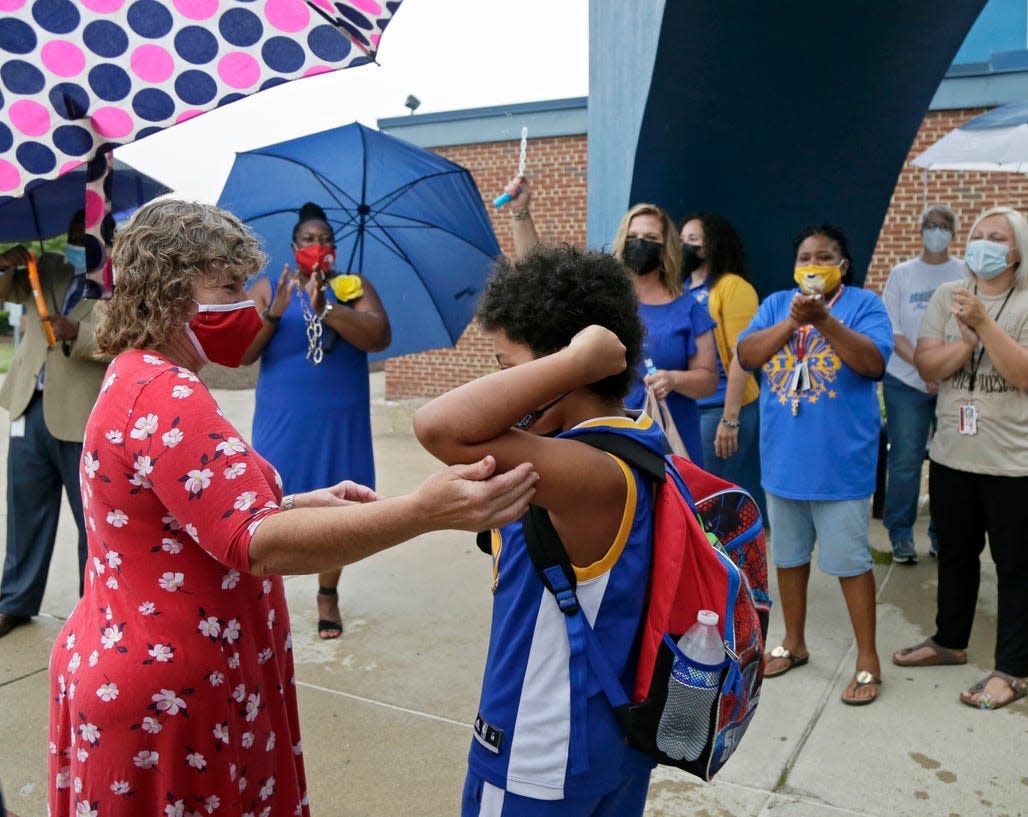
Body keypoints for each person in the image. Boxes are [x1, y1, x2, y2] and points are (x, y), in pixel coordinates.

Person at [46, 199, 539, 817]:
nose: (236, 302)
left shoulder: (138, 375)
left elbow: (184, 509)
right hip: (172, 700)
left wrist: (298, 499)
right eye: (225, 287)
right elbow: (260, 543)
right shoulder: (167, 393)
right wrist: (424, 511)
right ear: (171, 290)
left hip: (151, 675)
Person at [414, 243, 659, 816]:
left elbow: (439, 428)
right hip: (610, 744)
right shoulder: (636, 436)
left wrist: (572, 362)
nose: (499, 386)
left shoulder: (591, 471)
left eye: (506, 369)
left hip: (538, 753)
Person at [737, 223, 894, 706]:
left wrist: (823, 321)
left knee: (849, 562)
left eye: (823, 256)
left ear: (842, 266)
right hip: (784, 464)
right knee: (788, 558)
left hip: (840, 467)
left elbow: (872, 363)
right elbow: (746, 355)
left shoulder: (864, 305)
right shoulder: (775, 303)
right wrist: (792, 322)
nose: (812, 264)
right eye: (805, 256)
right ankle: (794, 641)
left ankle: (867, 659)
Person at [892, 206, 1028, 711]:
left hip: (1014, 462)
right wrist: (964, 343)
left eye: (997, 237)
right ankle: (949, 640)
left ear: (1016, 252)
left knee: (1015, 568)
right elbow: (929, 364)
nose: (984, 244)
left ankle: (1013, 669)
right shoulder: (950, 296)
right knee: (954, 554)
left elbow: (1023, 375)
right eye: (978, 235)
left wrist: (984, 325)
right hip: (952, 453)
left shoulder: (1022, 300)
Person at [243, 202, 391, 639]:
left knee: (339, 507)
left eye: (325, 238)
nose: (317, 245)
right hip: (284, 419)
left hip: (339, 420)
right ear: (294, 246)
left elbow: (379, 335)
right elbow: (243, 352)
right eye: (308, 239)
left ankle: (328, 593)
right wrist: (276, 312)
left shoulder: (352, 286)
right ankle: (265, 597)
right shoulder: (271, 287)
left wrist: (327, 307)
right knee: (273, 503)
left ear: (335, 248)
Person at [504, 177, 717, 464]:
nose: (640, 243)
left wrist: (673, 379)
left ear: (667, 247)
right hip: (604, 439)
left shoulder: (689, 309)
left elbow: (708, 381)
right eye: (633, 237)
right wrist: (520, 212)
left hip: (671, 438)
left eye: (651, 238)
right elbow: (539, 272)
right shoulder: (601, 297)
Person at [0, 211, 109, 639]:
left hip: (83, 416)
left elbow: (124, 338)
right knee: (24, 512)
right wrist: (6, 264)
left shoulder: (116, 280)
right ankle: (14, 601)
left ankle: (95, 610)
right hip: (29, 407)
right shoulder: (45, 266)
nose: (80, 235)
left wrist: (76, 331)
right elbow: (5, 292)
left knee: (92, 521)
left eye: (90, 228)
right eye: (76, 227)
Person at [879, 204, 965, 564]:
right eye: (930, 225)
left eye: (944, 226)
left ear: (954, 233)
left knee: (951, 461)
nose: (936, 231)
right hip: (905, 382)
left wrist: (942, 370)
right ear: (920, 230)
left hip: (953, 382)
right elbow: (892, 329)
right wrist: (926, 367)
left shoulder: (963, 272)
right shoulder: (902, 274)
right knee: (905, 461)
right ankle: (900, 534)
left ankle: (942, 534)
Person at [680, 212, 767, 521]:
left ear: (713, 245)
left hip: (721, 408)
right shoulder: (682, 288)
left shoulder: (733, 288)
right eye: (681, 240)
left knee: (713, 504)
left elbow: (742, 357)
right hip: (691, 407)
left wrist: (731, 419)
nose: (684, 247)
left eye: (693, 240)